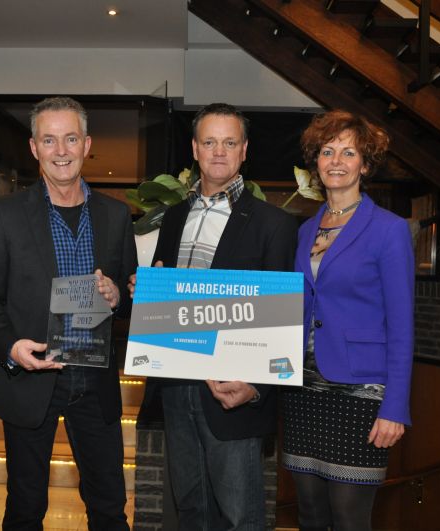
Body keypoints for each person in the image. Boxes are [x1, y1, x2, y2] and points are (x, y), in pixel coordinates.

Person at [0, 96, 136, 530]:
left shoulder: (117, 215)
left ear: (87, 145)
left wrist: (118, 296)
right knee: (25, 510)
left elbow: (131, 296)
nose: (61, 151)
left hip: (95, 382)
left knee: (109, 509)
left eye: (70, 139)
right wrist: (10, 347)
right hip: (31, 378)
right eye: (49, 140)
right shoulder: (3, 215)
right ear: (34, 147)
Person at [130, 103, 297, 530]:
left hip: (232, 395)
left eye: (229, 142)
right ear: (195, 149)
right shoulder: (174, 219)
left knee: (241, 518)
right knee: (191, 511)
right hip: (177, 387)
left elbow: (283, 318)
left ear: (244, 150)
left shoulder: (274, 224)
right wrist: (147, 294)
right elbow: (169, 298)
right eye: (209, 142)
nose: (218, 151)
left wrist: (256, 387)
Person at [282, 109, 414, 531]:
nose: (336, 160)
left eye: (348, 152)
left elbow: (402, 325)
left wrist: (395, 407)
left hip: (361, 393)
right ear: (315, 162)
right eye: (327, 151)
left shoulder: (389, 229)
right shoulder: (306, 230)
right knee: (309, 514)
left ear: (365, 165)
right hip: (303, 389)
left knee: (349, 518)